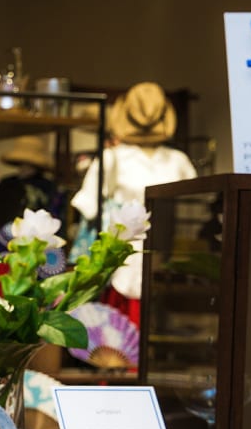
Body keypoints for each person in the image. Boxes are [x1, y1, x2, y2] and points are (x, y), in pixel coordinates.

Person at [70, 81, 197, 324]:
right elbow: (89, 206)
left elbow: (193, 203)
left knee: (156, 310)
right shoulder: (112, 158)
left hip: (165, 249)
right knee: (119, 319)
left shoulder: (177, 160)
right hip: (122, 252)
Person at [0, 136, 65, 249]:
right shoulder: (6, 184)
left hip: (34, 245)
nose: (23, 168)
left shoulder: (48, 188)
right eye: (21, 164)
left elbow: (53, 217)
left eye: (28, 165)